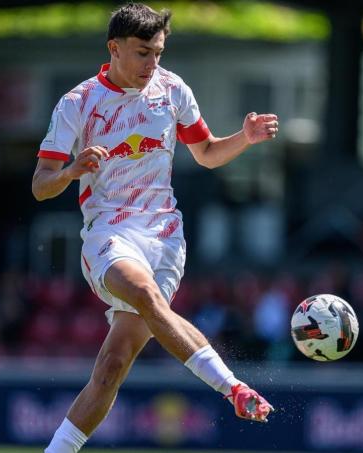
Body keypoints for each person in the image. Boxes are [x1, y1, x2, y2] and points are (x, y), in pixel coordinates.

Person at [32, 4, 278, 452]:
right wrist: (70, 172)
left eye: (159, 53)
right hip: (108, 232)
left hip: (164, 238)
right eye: (143, 53)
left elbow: (206, 153)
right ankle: (233, 387)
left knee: (111, 367)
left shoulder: (172, 90)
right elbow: (40, 186)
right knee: (145, 295)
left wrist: (244, 138)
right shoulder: (78, 102)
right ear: (114, 48)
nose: (153, 64)